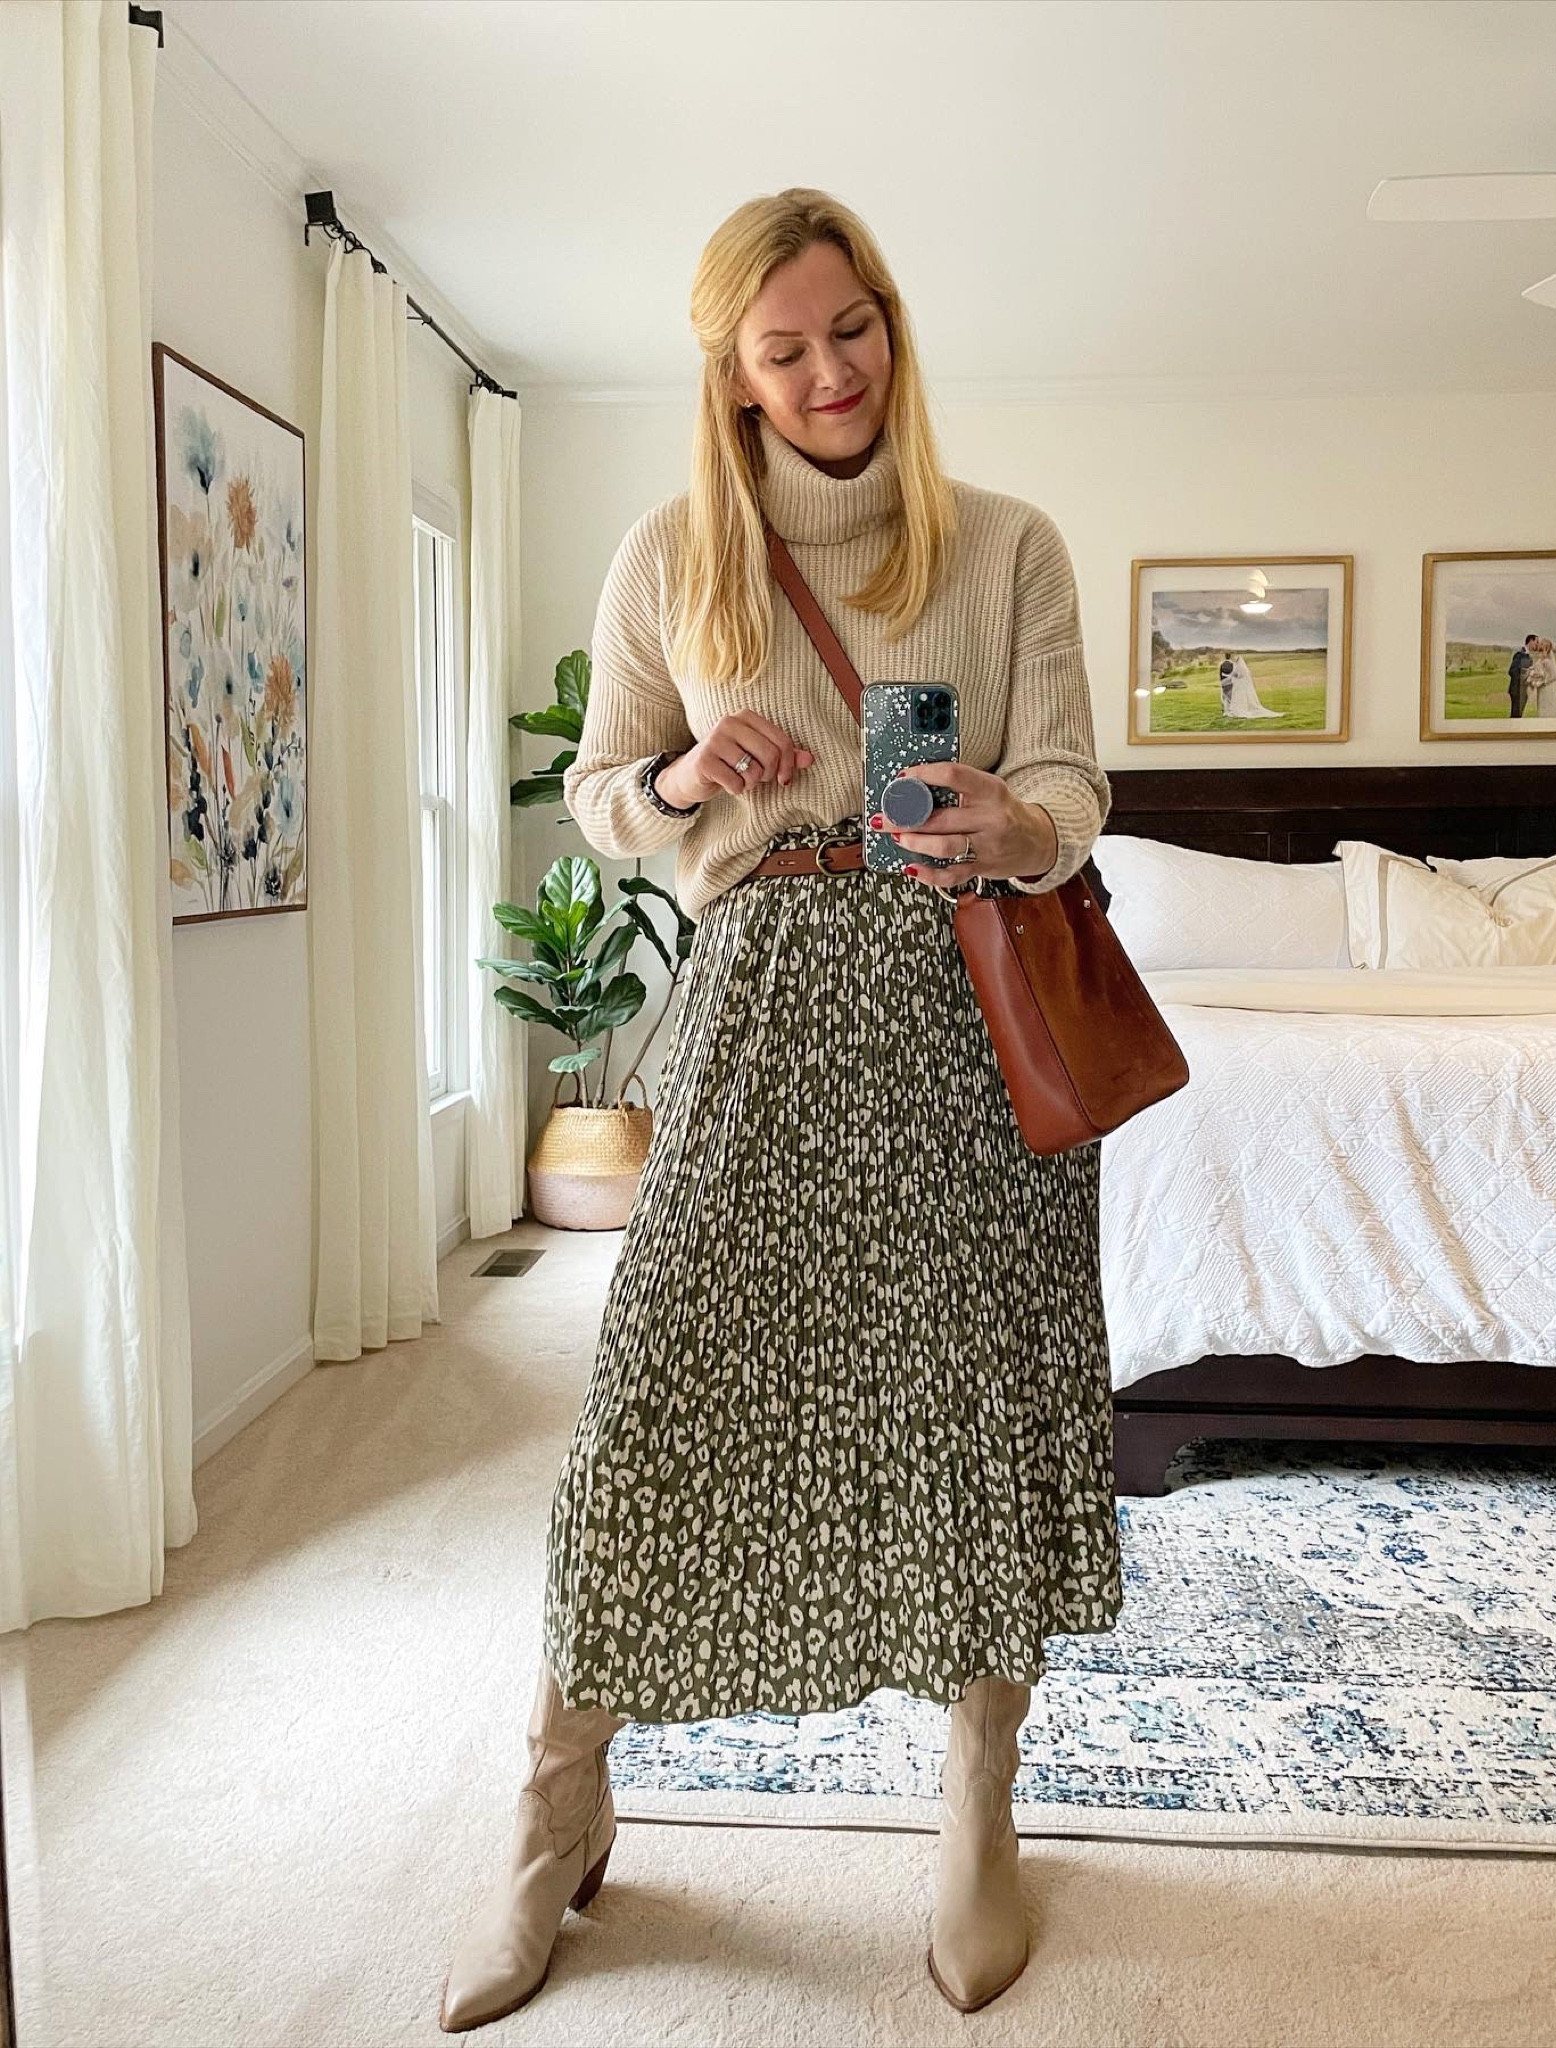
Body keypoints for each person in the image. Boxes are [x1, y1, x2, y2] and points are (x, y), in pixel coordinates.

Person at [438, 187, 1122, 2033]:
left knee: (972, 1407)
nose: (828, 371)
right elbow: (595, 796)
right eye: (782, 346)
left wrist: (1010, 814)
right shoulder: (675, 552)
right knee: (655, 1400)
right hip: (754, 1015)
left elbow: (1071, 775)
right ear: (731, 375)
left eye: (852, 328)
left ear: (890, 326)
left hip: (965, 1014)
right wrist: (675, 767)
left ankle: (977, 1797)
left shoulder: (1005, 545)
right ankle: (556, 1796)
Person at [1224, 652, 1282, 719]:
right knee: (1239, 696)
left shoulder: (1241, 667)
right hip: (1239, 684)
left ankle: (1240, 708)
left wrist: (1232, 676)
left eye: (1235, 660)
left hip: (1240, 685)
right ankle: (1239, 707)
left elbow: (1240, 675)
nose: (1234, 660)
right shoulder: (1237, 666)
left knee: (1240, 696)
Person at [1508, 632, 1541, 718]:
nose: (1537, 645)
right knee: (1515, 715)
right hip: (1517, 690)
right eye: (1536, 642)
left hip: (1523, 690)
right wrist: (1524, 675)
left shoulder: (1529, 657)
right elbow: (1512, 671)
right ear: (1530, 641)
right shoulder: (1519, 654)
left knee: (1519, 715)